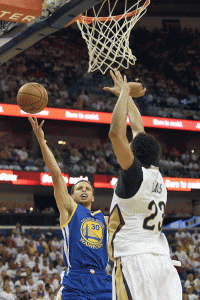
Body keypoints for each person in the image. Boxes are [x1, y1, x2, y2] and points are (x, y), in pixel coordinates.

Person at [104, 69, 182, 300]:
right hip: (162, 263)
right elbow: (138, 129)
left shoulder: (134, 176)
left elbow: (116, 134)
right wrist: (125, 97)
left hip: (135, 262)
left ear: (132, 154)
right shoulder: (156, 173)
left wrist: (125, 92)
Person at [28, 116, 112, 300]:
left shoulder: (104, 219)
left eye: (87, 188)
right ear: (71, 196)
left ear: (93, 196)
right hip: (76, 279)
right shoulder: (69, 209)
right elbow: (57, 174)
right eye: (79, 188)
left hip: (102, 279)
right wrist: (41, 141)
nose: (84, 190)